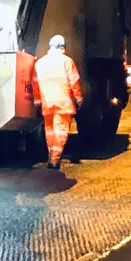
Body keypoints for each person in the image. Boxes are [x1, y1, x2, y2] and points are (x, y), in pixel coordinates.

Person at [32, 33, 85, 168]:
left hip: (47, 104)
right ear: (63, 47)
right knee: (60, 131)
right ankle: (54, 160)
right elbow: (74, 82)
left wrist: (37, 101)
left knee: (49, 130)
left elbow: (35, 84)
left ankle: (51, 154)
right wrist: (79, 99)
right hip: (63, 104)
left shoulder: (40, 63)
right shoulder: (67, 61)